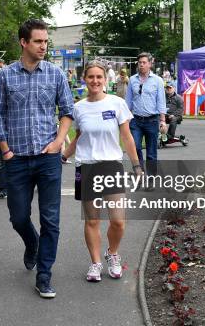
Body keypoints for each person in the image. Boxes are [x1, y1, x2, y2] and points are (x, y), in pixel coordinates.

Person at [0, 19, 74, 299]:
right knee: (18, 217)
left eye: (46, 41)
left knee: (51, 219)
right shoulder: (5, 76)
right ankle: (32, 244)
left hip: (48, 157)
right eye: (38, 41)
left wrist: (59, 142)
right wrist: (6, 150)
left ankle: (44, 274)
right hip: (16, 159)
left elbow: (67, 110)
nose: (43, 46)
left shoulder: (55, 74)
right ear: (23, 42)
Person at [62, 61, 142, 282]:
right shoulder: (78, 108)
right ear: (84, 80)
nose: (95, 81)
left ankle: (112, 253)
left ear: (105, 80)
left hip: (112, 166)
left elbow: (127, 137)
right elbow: (79, 137)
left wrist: (136, 165)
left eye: (99, 77)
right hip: (86, 167)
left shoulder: (117, 104)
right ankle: (95, 262)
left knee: (118, 221)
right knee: (92, 221)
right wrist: (63, 156)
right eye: (91, 77)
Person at [125, 52, 166, 167]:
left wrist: (162, 121)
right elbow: (128, 101)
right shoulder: (132, 80)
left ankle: (151, 179)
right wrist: (125, 119)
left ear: (150, 64)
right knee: (135, 146)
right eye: (140, 63)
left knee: (151, 153)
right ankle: (140, 173)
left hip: (152, 121)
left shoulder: (157, 80)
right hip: (136, 121)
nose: (141, 65)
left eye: (144, 62)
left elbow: (161, 101)